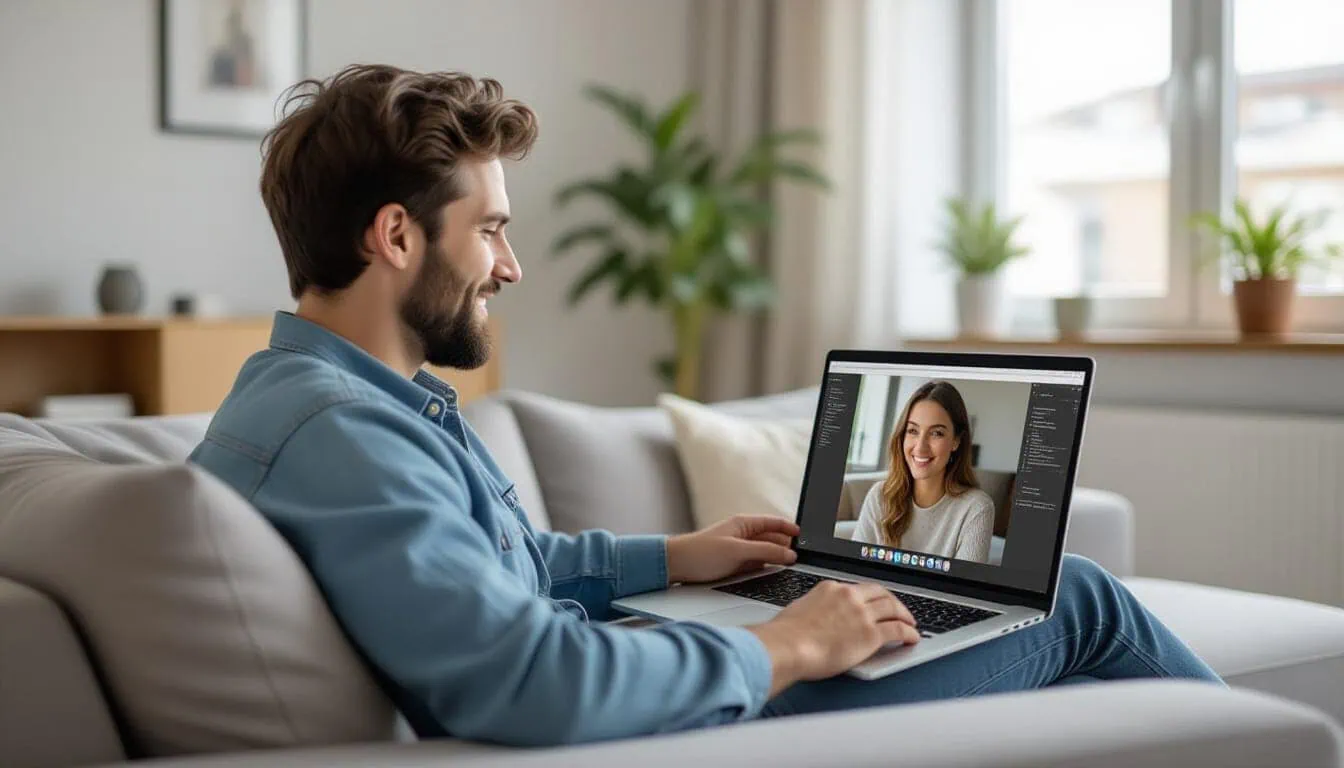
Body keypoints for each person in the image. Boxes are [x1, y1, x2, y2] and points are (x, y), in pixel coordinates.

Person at [189, 64, 1222, 748]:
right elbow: (532, 677)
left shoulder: (322, 398)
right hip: (672, 723)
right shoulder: (342, 436)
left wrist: (674, 557)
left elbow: (489, 571)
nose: (512, 265)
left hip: (663, 688)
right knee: (1078, 598)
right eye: (492, 229)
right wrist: (792, 644)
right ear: (397, 237)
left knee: (1081, 699)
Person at [851, 381, 995, 563]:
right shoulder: (880, 496)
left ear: (956, 441)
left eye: (936, 433)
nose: (920, 447)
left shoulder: (976, 508)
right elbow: (854, 573)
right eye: (912, 431)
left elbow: (963, 589)